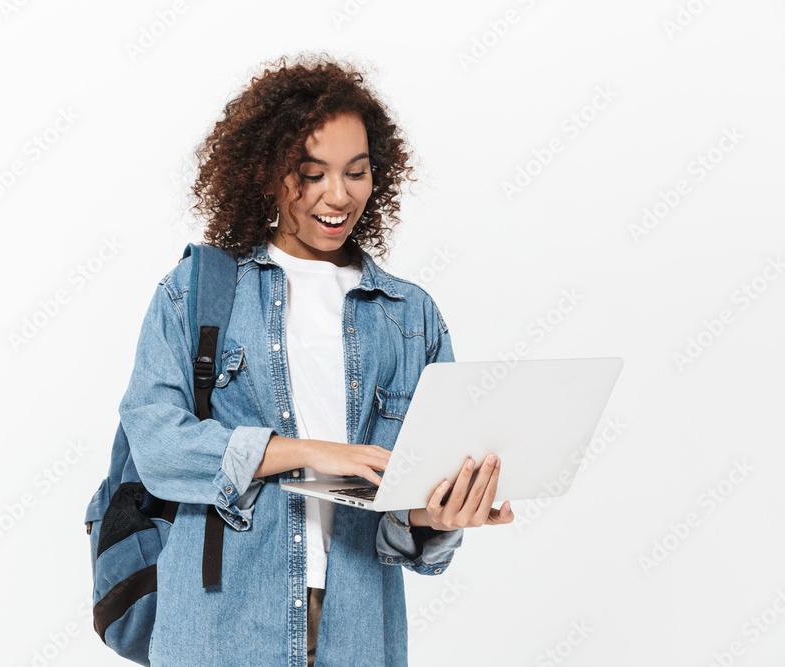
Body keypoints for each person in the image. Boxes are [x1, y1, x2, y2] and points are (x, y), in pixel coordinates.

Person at [118, 53, 515, 667]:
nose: (338, 195)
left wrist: (437, 516)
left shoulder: (409, 316)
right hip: (222, 626)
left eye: (356, 172)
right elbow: (159, 446)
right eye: (311, 173)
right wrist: (311, 452)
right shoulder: (196, 292)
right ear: (267, 173)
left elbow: (403, 513)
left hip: (359, 629)